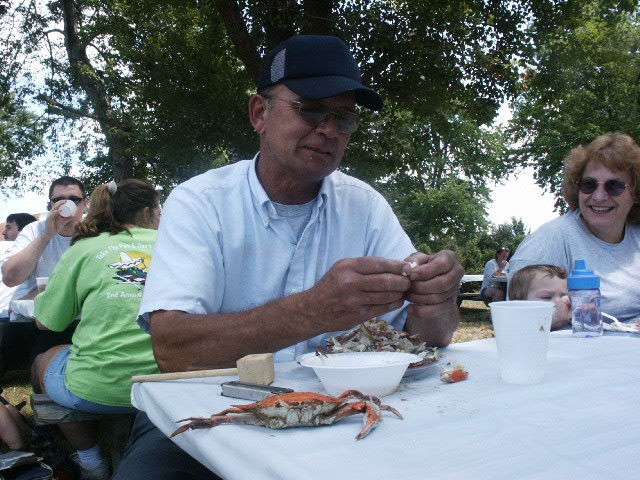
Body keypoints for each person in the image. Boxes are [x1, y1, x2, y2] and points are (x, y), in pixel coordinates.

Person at [113, 35, 463, 480]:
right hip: (211, 411)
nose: (330, 129)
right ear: (260, 113)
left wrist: (438, 297)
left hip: (344, 413)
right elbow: (173, 352)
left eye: (345, 117)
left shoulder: (365, 204)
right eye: (312, 109)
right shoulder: (201, 202)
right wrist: (310, 312)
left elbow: (431, 337)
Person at [30, 179, 161, 480]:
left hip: (94, 389)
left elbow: (48, 323)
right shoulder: (175, 246)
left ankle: (90, 460)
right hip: (165, 385)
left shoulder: (85, 248)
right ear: (147, 212)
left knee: (44, 359)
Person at [509, 133, 640, 322]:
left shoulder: (636, 235)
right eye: (589, 184)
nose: (599, 196)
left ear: (634, 192)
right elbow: (517, 318)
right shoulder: (551, 240)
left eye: (614, 186)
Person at [0, 213, 38, 375]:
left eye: (9, 227)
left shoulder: (34, 254)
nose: (3, 233)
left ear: (24, 231)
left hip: (13, 321)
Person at [508, 264, 572, 330]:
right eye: (547, 297)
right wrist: (556, 319)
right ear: (519, 302)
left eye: (563, 296)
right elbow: (537, 331)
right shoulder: (516, 324)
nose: (559, 301)